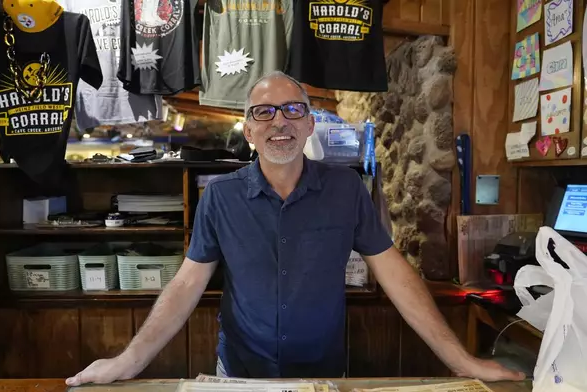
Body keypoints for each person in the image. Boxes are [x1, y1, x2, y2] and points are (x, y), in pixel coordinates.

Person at [66, 71, 525, 385]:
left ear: (309, 125)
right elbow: (186, 285)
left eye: (291, 111)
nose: (278, 121)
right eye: (263, 113)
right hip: (240, 376)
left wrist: (462, 360)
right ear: (248, 131)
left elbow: (397, 276)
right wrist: (130, 360)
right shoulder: (220, 197)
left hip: (323, 376)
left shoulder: (346, 190)